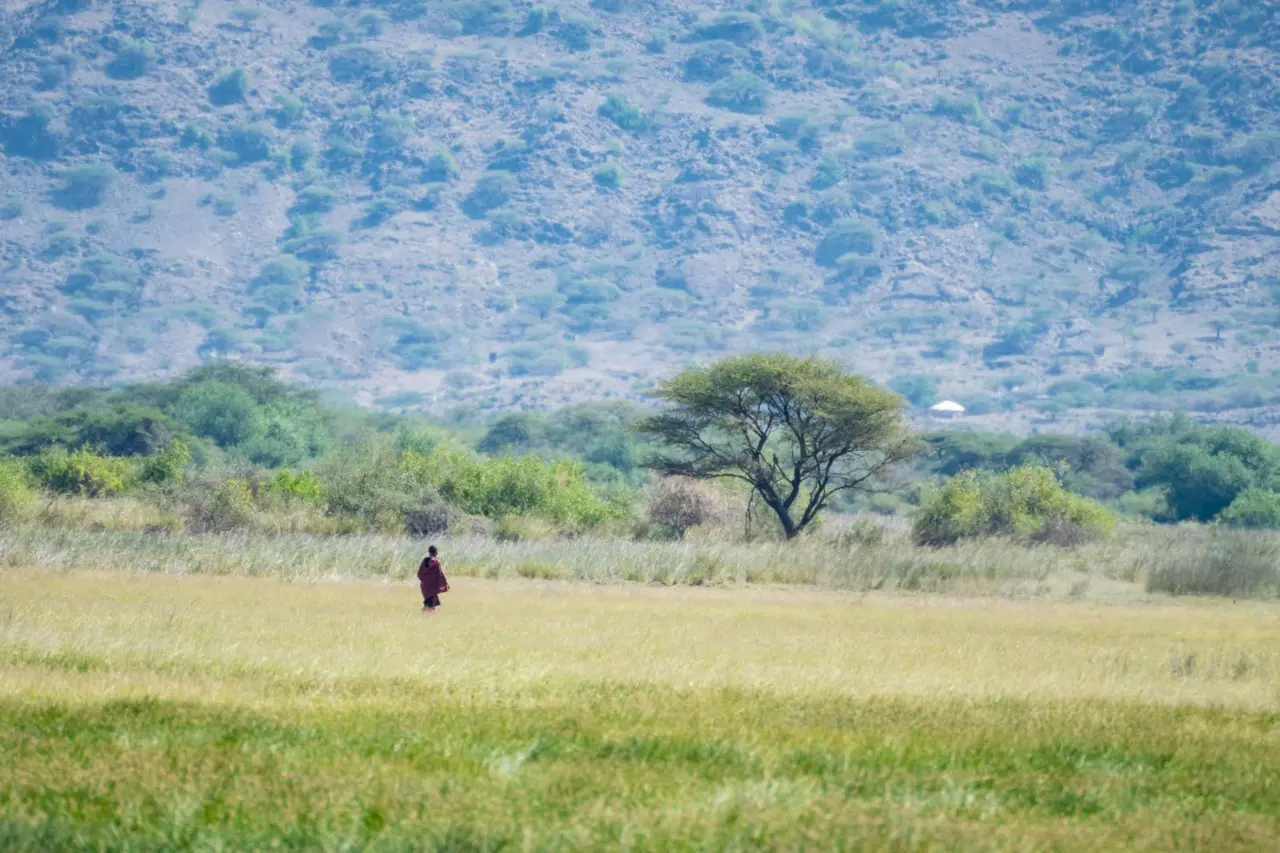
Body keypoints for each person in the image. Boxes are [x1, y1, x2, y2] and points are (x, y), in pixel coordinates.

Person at [417, 545, 449, 613]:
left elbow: (419, 573)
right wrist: (444, 585)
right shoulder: (436, 561)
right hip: (432, 586)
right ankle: (426, 617)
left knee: (429, 602)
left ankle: (428, 616)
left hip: (424, 586)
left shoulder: (425, 560)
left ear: (429, 552)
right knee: (431, 605)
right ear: (436, 552)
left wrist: (424, 581)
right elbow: (440, 574)